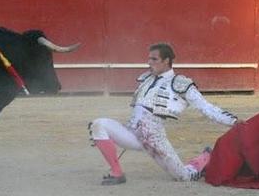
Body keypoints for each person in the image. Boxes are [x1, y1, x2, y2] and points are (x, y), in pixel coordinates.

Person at [89, 43, 242, 185]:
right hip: (132, 132)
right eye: (149, 58)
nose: (149, 62)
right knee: (98, 124)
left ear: (166, 61)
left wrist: (233, 121)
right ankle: (117, 173)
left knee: (183, 177)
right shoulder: (146, 79)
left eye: (154, 59)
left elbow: (206, 107)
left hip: (154, 138)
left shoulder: (180, 83)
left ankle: (205, 158)